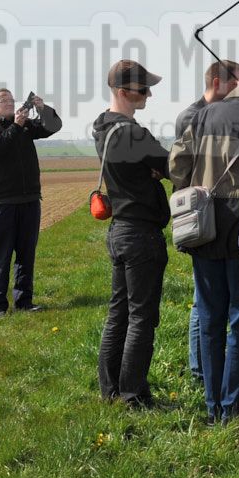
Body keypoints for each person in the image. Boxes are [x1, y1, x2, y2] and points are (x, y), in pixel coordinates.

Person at [169, 61, 239, 423]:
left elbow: (176, 165)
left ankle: (212, 405)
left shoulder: (204, 115)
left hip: (204, 226)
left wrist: (199, 183)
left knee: (209, 316)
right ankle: (235, 407)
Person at [93, 60, 171, 408]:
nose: (149, 94)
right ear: (123, 92)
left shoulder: (104, 129)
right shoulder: (132, 133)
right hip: (141, 234)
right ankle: (133, 394)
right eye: (143, 89)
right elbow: (173, 166)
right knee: (141, 317)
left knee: (119, 313)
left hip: (120, 229)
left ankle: (110, 390)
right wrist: (155, 171)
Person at [175, 59, 239, 382]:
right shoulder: (193, 116)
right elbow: (181, 168)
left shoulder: (217, 115)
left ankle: (211, 370)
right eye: (237, 82)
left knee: (210, 304)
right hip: (203, 219)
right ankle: (200, 368)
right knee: (204, 305)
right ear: (218, 82)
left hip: (218, 219)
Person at [0, 88, 62, 317]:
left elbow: (53, 127)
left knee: (26, 254)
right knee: (0, 256)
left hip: (29, 200)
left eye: (12, 100)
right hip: (0, 203)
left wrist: (43, 110)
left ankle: (24, 302)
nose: (10, 103)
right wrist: (16, 126)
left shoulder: (25, 127)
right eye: (4, 100)